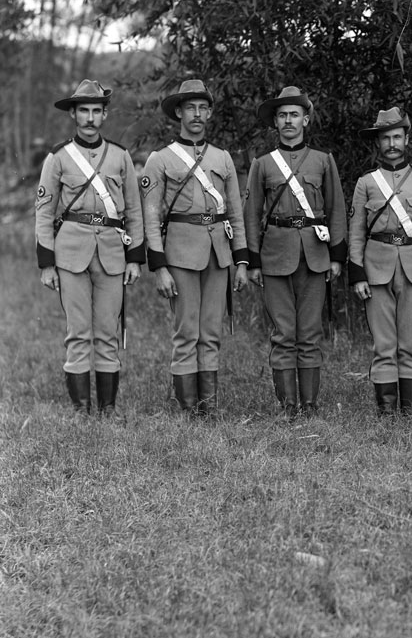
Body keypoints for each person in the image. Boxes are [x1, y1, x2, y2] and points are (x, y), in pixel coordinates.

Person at [35, 79, 145, 415]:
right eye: (84, 110)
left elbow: (134, 210)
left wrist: (134, 259)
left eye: (96, 111)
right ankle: (82, 409)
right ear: (73, 114)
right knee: (78, 332)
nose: (90, 118)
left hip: (112, 252)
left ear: (105, 114)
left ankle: (108, 408)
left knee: (107, 332)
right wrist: (47, 263)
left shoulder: (120, 156)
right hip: (71, 253)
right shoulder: (58, 157)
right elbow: (44, 212)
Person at [140, 79, 249, 416]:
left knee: (211, 331)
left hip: (218, 251)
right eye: (190, 108)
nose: (197, 114)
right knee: (186, 331)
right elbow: (150, 217)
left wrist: (241, 260)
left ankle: (209, 406)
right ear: (179, 113)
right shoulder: (160, 160)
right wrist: (159, 267)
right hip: (180, 253)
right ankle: (188, 408)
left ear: (210, 113)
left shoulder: (223, 158)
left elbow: (235, 213)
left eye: (203, 108)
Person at [244, 87, 348, 419]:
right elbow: (251, 214)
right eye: (282, 115)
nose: (289, 121)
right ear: (275, 122)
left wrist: (336, 256)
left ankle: (311, 405)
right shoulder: (262, 164)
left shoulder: (323, 160)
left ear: (305, 119)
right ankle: (288, 405)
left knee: (310, 331)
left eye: (294, 115)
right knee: (283, 331)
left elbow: (336, 211)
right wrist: (254, 260)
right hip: (275, 252)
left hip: (314, 254)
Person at [348, 107, 412, 416]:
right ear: (378, 142)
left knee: (409, 342)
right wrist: (358, 274)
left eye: (397, 137)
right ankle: (387, 409)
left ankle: (410, 409)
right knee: (383, 343)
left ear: (407, 138)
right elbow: (356, 232)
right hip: (376, 267)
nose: (391, 143)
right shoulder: (366, 183)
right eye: (386, 138)